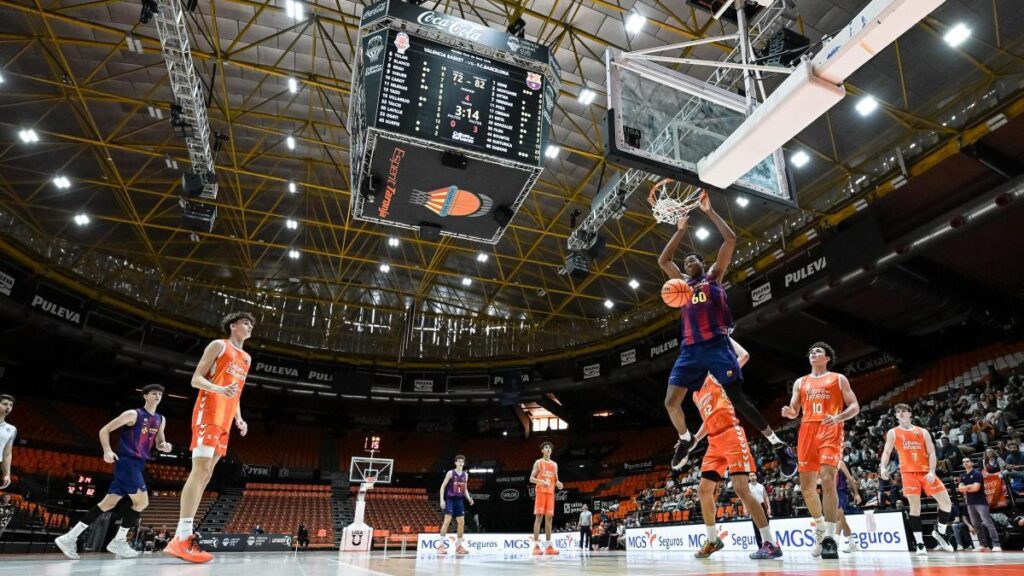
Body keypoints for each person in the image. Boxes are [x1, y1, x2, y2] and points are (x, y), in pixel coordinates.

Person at [658, 194, 796, 477]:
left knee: (738, 399)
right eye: (686, 263)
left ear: (702, 263)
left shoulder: (713, 278)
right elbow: (664, 260)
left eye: (694, 259)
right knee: (671, 403)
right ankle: (685, 440)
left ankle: (777, 444)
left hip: (717, 345)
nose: (689, 263)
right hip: (690, 350)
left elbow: (730, 240)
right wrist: (680, 231)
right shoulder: (682, 287)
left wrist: (709, 212)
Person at [166, 311, 254, 563]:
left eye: (251, 324)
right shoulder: (218, 345)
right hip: (208, 411)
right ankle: (181, 537)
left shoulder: (247, 358)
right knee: (200, 469)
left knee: (206, 474)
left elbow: (236, 393)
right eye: (246, 322)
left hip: (226, 418)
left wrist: (239, 418)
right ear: (233, 326)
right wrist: (218, 389)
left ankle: (183, 538)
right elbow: (196, 380)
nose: (250, 327)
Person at [55, 384, 172, 559]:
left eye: (160, 394)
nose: (158, 396)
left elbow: (159, 442)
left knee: (107, 504)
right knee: (141, 503)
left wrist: (165, 446)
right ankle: (118, 540)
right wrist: (107, 450)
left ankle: (69, 537)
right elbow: (104, 430)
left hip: (139, 463)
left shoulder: (160, 419)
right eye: (154, 393)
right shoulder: (133, 414)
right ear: (145, 396)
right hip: (127, 463)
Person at [690, 365, 781, 560]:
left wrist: (726, 336)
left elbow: (744, 357)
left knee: (741, 488)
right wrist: (694, 440)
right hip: (714, 442)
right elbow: (707, 421)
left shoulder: (714, 376)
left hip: (731, 433)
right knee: (703, 490)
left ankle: (770, 543)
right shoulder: (695, 394)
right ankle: (713, 539)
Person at [781, 342, 860, 559]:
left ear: (827, 358)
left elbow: (854, 406)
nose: (813, 353)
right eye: (811, 351)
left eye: (818, 351)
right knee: (806, 488)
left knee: (827, 480)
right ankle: (820, 527)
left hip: (830, 427)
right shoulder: (800, 382)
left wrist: (839, 417)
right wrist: (789, 412)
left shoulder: (838, 378)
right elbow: (794, 410)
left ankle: (831, 538)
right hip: (807, 430)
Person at [880, 403, 954, 555]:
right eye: (897, 412)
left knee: (946, 502)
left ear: (910, 414)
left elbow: (932, 453)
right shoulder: (893, 432)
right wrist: (882, 467)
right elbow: (887, 452)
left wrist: (932, 471)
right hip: (908, 473)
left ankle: (940, 532)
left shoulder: (923, 432)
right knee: (915, 508)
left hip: (926, 472)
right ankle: (920, 543)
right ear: (896, 416)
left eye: (903, 411)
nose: (900, 413)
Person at [957, 456, 1002, 551]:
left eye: (967, 461)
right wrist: (970, 486)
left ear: (971, 463)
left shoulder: (977, 473)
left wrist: (966, 487)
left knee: (987, 523)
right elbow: (960, 489)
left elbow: (976, 488)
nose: (965, 463)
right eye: (964, 462)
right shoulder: (963, 475)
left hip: (981, 503)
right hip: (970, 503)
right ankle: (982, 544)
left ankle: (996, 544)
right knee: (976, 524)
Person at [529, 442, 563, 555]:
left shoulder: (555, 464)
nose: (548, 449)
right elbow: (531, 478)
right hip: (541, 492)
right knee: (539, 518)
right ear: (542, 450)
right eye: (546, 447)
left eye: (550, 448)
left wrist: (559, 484)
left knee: (549, 519)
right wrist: (541, 481)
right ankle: (536, 546)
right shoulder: (538, 462)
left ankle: (549, 547)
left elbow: (556, 479)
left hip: (550, 493)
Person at [438, 454, 474, 555]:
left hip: (459, 500)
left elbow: (465, 489)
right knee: (447, 520)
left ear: (464, 463)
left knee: (461, 522)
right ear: (455, 462)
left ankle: (458, 546)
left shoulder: (465, 475)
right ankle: (440, 546)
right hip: (450, 499)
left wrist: (469, 498)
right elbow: (442, 486)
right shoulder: (450, 473)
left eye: (462, 461)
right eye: (458, 461)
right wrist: (442, 500)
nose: (460, 462)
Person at [836, 460, 863, 554]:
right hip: (830, 494)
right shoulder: (824, 463)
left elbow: (851, 480)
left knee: (838, 516)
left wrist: (856, 494)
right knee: (842, 520)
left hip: (841, 493)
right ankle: (852, 544)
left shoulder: (840, 463)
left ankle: (835, 541)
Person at [747, 474, 771, 547]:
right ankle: (760, 547)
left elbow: (766, 497)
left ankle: (769, 545)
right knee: (756, 528)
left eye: (754, 475)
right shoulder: (747, 487)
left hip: (762, 506)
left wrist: (769, 507)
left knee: (766, 526)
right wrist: (746, 508)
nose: (752, 477)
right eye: (750, 476)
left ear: (756, 476)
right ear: (748, 477)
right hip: (753, 507)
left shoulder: (761, 486)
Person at [0, 394, 16, 490]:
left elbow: (7, 453)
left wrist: (7, 474)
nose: (8, 407)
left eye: (11, 405)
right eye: (5, 404)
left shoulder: (12, 429)